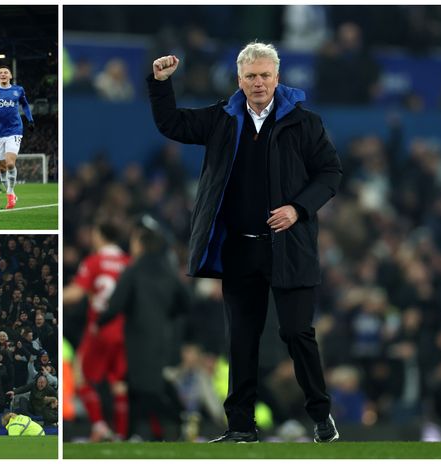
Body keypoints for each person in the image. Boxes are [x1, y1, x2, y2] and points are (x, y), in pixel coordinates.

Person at [148, 42, 342, 443]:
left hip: (288, 246)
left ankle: (321, 416)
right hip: (239, 247)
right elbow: (173, 124)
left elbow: (330, 173)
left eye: (265, 75)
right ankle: (240, 426)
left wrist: (298, 209)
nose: (258, 83)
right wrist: (160, 83)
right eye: (251, 76)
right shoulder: (222, 118)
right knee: (240, 338)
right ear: (239, 79)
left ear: (277, 77)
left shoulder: (305, 123)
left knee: (296, 332)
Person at [98, 216, 191, 441]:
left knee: (146, 388)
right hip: (164, 337)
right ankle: (135, 432)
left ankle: (177, 420)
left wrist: (99, 322)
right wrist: (168, 316)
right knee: (141, 384)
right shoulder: (168, 271)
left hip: (139, 337)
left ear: (141, 244)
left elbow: (116, 304)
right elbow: (186, 301)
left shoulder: (134, 270)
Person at [62, 221, 131, 441]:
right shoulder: (128, 263)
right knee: (119, 383)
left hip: (99, 330)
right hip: (124, 331)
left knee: (80, 376)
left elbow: (76, 293)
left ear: (100, 235)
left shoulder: (94, 261)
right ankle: (121, 434)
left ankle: (99, 425)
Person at [0, 65, 34, 209]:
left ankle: (9, 194)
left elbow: (26, 106)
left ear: (10, 76)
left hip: (15, 130)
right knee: (2, 168)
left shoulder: (18, 90)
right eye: (0, 73)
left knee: (10, 163)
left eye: (6, 72)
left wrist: (30, 120)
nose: (3, 74)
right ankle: (12, 193)